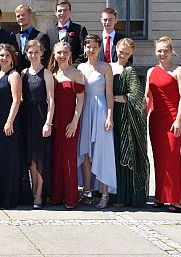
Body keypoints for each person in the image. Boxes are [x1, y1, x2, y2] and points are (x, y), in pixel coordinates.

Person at [146, 36, 181, 212]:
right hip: (156, 119)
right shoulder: (151, 71)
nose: (162, 53)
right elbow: (148, 97)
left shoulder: (179, 71)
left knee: (172, 156)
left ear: (171, 52)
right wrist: (141, 113)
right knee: (159, 158)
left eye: (165, 50)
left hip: (173, 118)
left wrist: (179, 119)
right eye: (159, 50)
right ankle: (162, 196)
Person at [77, 34, 117, 209]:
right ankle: (87, 190)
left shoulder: (105, 67)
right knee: (85, 151)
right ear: (84, 49)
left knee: (102, 151)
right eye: (88, 46)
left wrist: (110, 116)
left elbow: (109, 94)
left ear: (100, 49)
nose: (91, 49)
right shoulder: (80, 67)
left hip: (100, 110)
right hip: (85, 109)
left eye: (94, 46)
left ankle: (105, 193)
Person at [0, 43, 29, 209]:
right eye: (1, 55)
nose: (3, 58)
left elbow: (16, 100)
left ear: (12, 59)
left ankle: (8, 197)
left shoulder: (14, 76)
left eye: (7, 56)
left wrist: (9, 121)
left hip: (9, 123)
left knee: (9, 159)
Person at [110, 38, 149, 207]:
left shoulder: (130, 71)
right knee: (111, 154)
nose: (123, 55)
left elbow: (137, 96)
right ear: (116, 48)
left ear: (131, 54)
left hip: (125, 117)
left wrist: (116, 98)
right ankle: (111, 192)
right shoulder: (108, 67)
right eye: (121, 51)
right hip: (110, 115)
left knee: (124, 152)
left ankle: (125, 196)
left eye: (127, 53)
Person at [48, 41, 85, 209]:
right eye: (58, 53)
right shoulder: (52, 73)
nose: (61, 56)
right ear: (54, 55)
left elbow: (80, 101)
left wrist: (74, 122)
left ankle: (71, 198)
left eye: (64, 52)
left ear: (70, 54)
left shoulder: (77, 74)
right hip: (54, 121)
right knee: (56, 158)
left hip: (70, 121)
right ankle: (56, 195)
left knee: (69, 159)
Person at [21, 40, 55, 209]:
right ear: (26, 54)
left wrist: (48, 123)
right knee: (31, 158)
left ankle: (40, 194)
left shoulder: (46, 74)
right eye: (30, 52)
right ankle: (34, 190)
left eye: (36, 52)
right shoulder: (23, 72)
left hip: (41, 116)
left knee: (40, 157)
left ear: (42, 53)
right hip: (27, 116)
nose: (33, 55)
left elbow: (51, 101)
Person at [46, 0, 88, 65]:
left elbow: (84, 52)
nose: (62, 13)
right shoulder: (49, 32)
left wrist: (73, 67)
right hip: (54, 71)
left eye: (65, 10)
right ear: (55, 13)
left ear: (70, 12)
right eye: (60, 11)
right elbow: (48, 54)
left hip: (74, 70)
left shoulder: (80, 29)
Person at [14, 4, 50, 72]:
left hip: (35, 74)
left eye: (23, 15)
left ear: (30, 16)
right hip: (16, 76)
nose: (20, 17)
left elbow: (44, 60)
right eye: (18, 16)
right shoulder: (13, 36)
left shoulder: (41, 37)